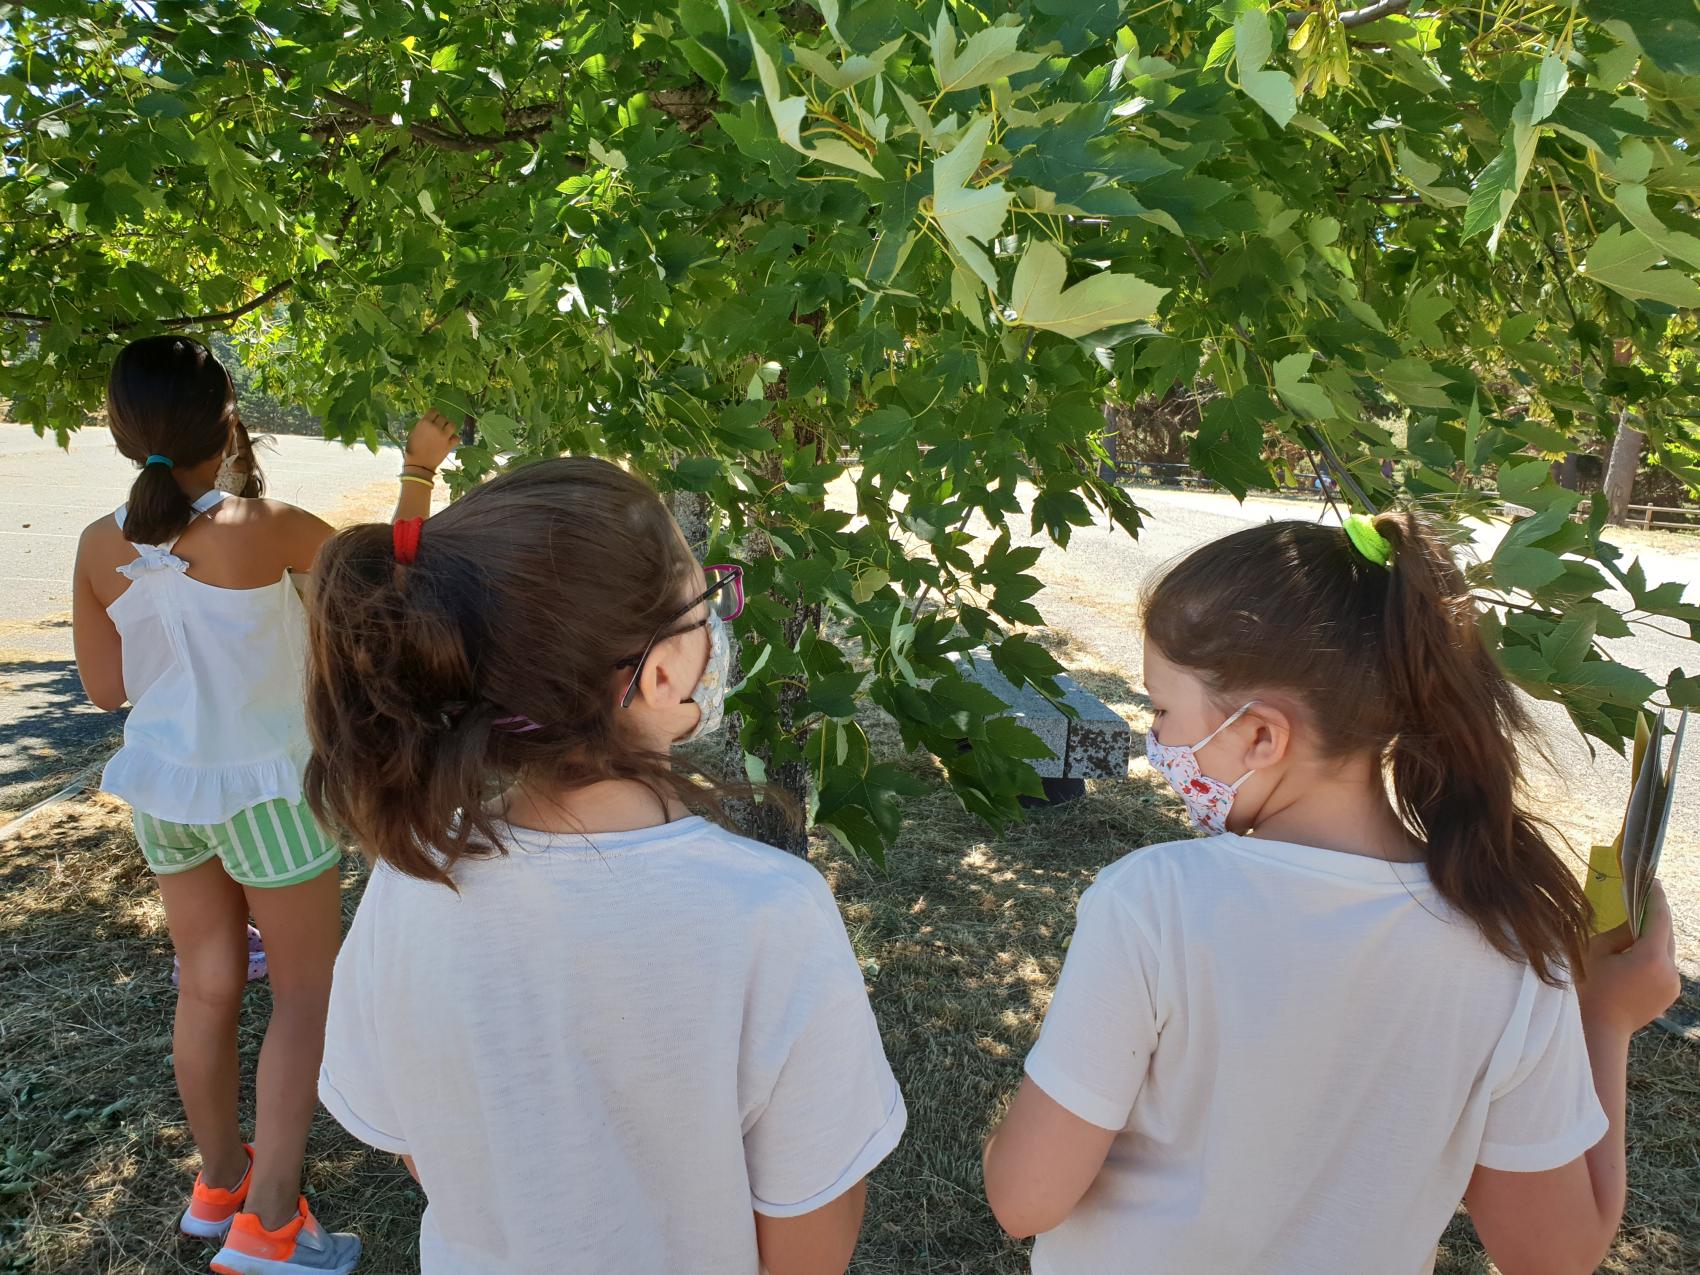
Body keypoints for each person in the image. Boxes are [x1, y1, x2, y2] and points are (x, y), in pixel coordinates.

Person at [982, 512, 1681, 1275]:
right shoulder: (1511, 945)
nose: (1158, 742)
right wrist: (1605, 1020)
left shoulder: (1151, 904)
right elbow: (1559, 1256)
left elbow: (1025, 1198)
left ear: (1262, 738)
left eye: (1161, 710)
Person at [306, 456, 905, 1275]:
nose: (719, 626)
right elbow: (812, 1239)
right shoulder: (772, 913)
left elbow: (417, 1144)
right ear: (659, 671)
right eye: (709, 603)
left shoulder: (410, 880)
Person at [70, 334, 460, 1275]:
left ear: (121, 431)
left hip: (165, 795)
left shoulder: (95, 542)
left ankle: (218, 1188)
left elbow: (103, 690)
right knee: (304, 993)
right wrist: (417, 469)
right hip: (272, 797)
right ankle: (274, 1226)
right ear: (228, 418)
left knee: (206, 985)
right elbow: (393, 585)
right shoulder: (273, 526)